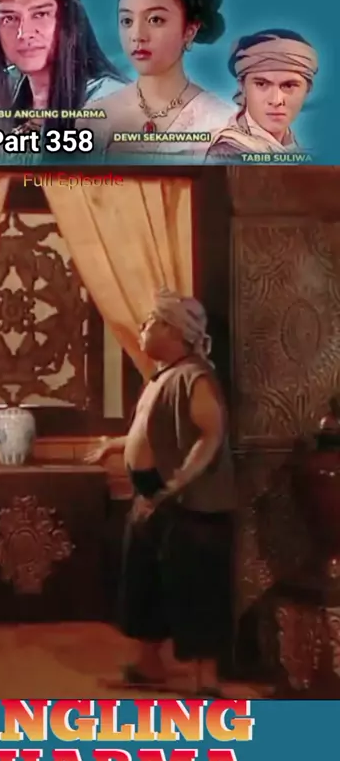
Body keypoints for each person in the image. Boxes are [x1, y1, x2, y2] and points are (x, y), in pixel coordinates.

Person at [86, 289, 236, 694]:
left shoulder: (195, 376)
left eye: (151, 321)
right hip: (154, 498)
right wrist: (116, 445)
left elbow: (210, 432)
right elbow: (151, 431)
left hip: (190, 504)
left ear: (172, 330)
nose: (142, 327)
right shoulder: (162, 375)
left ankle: (206, 680)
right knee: (144, 582)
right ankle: (148, 666)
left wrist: (181, 480)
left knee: (197, 587)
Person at [77, 0, 233, 160]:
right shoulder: (93, 118)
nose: (137, 35)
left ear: (189, 31)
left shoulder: (223, 125)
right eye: (127, 21)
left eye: (155, 20)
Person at [0, 0, 126, 137]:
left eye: (41, 14)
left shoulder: (112, 103)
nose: (24, 33)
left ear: (69, 21)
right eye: (9, 18)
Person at [207, 29, 318, 159]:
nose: (276, 100)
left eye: (288, 85)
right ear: (242, 86)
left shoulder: (295, 147)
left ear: (307, 89)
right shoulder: (228, 153)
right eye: (261, 84)